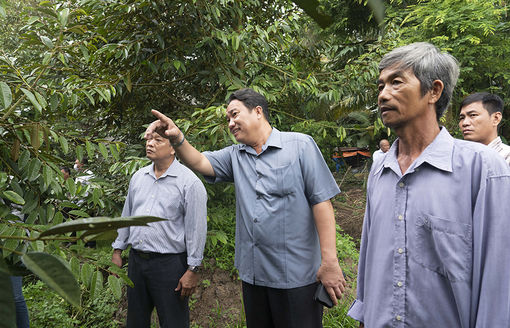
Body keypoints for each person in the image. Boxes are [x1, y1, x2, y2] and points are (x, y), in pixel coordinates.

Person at [145, 88, 346, 328]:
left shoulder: (300, 146)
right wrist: (177, 137)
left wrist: (330, 262)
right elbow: (200, 161)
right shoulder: (235, 156)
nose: (230, 123)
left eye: (234, 114)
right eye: (227, 119)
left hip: (296, 277)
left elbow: (321, 203)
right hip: (254, 278)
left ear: (258, 111)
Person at [347, 42, 510, 327]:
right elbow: (369, 256)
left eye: (396, 82)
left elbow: (497, 278)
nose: (383, 95)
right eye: (380, 85)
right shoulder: (380, 169)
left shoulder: (481, 168)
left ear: (434, 91)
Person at [111, 132, 207, 328]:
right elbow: (127, 216)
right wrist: (118, 250)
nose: (150, 144)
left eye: (157, 140)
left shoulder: (189, 183)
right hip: (137, 263)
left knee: (174, 322)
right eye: (148, 140)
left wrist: (193, 269)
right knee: (135, 322)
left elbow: (196, 229)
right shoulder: (138, 178)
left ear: (173, 148)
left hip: (170, 266)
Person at [459, 92, 510, 164]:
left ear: (496, 118)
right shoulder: (458, 158)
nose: (465, 123)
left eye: (473, 115)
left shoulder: (506, 158)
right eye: (462, 118)